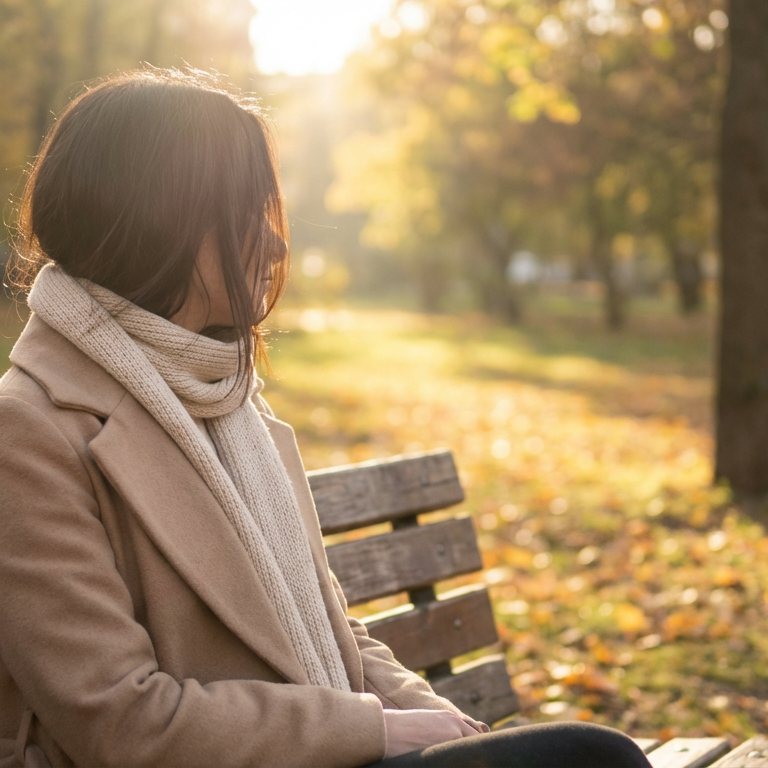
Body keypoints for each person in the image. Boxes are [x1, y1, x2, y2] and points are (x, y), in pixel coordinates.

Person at [0, 69, 651, 768]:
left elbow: (334, 631)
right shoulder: (30, 435)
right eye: (244, 214)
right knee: (594, 760)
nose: (276, 248)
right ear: (161, 219)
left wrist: (426, 712)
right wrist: (374, 729)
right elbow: (123, 724)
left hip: (324, 754)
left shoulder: (228, 404)